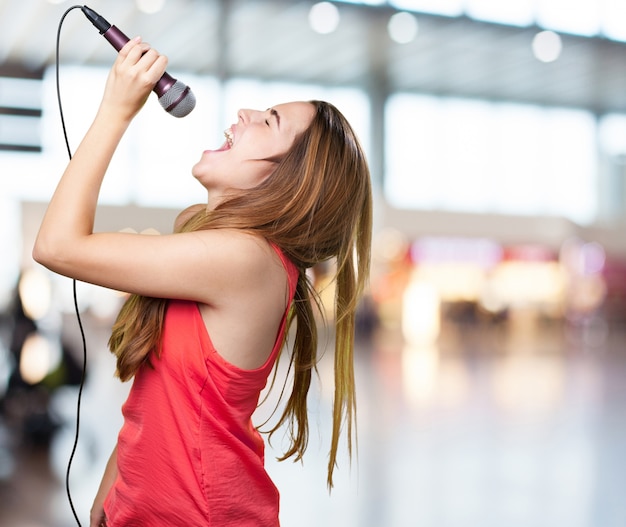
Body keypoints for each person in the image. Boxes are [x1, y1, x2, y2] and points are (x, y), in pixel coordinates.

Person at [33, 36, 372, 527]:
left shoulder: (245, 260)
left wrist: (116, 109)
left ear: (291, 180)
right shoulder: (212, 244)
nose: (246, 113)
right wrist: (109, 500)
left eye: (270, 121)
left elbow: (56, 246)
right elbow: (156, 404)